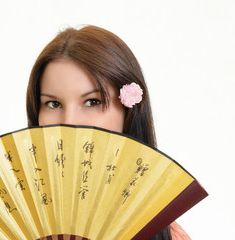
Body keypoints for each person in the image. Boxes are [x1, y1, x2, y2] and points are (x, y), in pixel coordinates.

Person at [26, 25, 190, 240]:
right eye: (53, 104)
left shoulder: (166, 234)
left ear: (127, 110)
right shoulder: (8, 214)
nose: (69, 122)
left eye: (92, 102)